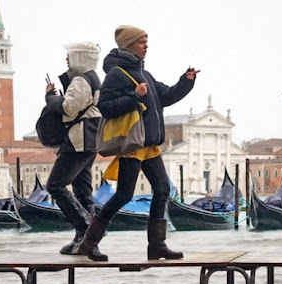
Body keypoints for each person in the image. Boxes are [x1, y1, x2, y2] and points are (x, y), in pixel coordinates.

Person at [78, 25, 199, 261]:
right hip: (133, 145)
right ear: (129, 44)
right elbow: (106, 107)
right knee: (124, 194)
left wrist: (186, 82)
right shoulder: (117, 74)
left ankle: (157, 245)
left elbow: (167, 96)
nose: (146, 46)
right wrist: (134, 95)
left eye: (147, 41)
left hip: (149, 145)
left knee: (162, 189)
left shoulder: (145, 74)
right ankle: (89, 243)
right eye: (142, 42)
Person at [44, 42, 101, 255]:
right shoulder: (94, 77)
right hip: (92, 137)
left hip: (79, 138)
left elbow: (69, 107)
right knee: (82, 188)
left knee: (55, 186)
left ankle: (85, 227)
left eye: (70, 56)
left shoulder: (80, 80)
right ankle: (87, 241)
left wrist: (51, 98)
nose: (67, 59)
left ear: (80, 57)